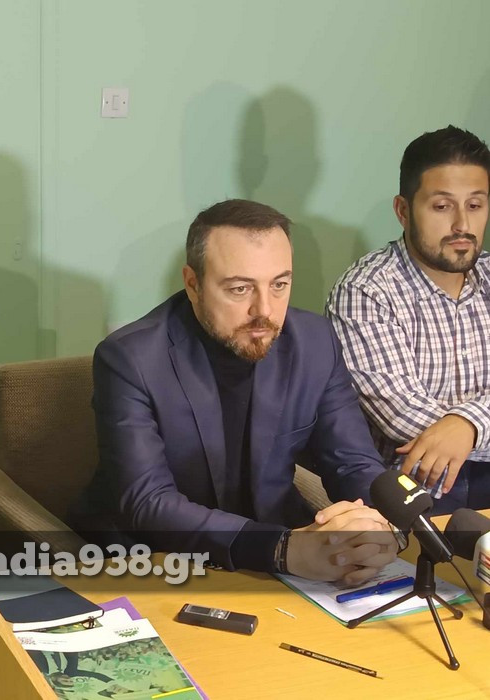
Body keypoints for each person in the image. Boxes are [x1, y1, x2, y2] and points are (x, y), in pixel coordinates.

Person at [72, 199, 399, 584]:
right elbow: (148, 502)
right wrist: (282, 548)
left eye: (279, 284)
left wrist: (379, 528)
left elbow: (354, 463)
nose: (265, 310)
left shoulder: (315, 341)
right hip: (158, 557)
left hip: (280, 546)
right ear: (193, 284)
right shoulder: (130, 359)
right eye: (240, 289)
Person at [326, 126, 490, 514]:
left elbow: (456, 435)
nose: (462, 225)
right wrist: (470, 425)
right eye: (442, 207)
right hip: (416, 489)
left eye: (475, 205)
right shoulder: (365, 291)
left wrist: (468, 425)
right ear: (403, 211)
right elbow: (407, 422)